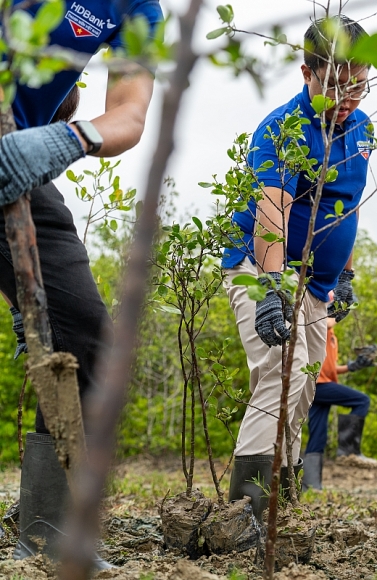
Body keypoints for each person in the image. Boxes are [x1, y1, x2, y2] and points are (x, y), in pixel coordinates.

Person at [1, 1, 163, 567]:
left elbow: (129, 113)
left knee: (83, 335)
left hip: (13, 156)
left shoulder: (136, 8)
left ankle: (46, 536)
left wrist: (65, 139)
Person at [221, 15, 374, 520]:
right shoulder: (282, 130)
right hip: (262, 266)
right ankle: (246, 512)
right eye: (336, 83)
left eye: (359, 81)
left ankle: (279, 507)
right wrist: (269, 288)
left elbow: (347, 207)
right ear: (306, 72)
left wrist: (344, 275)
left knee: (305, 381)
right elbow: (272, 212)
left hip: (316, 283)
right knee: (277, 374)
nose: (348, 94)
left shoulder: (362, 128)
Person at [301, 314, 377, 491]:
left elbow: (329, 368)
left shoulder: (332, 336)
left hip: (322, 383)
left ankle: (310, 487)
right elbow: (325, 321)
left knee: (318, 435)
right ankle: (349, 450)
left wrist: (352, 367)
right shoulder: (320, 326)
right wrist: (345, 307)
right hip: (315, 384)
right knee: (361, 400)